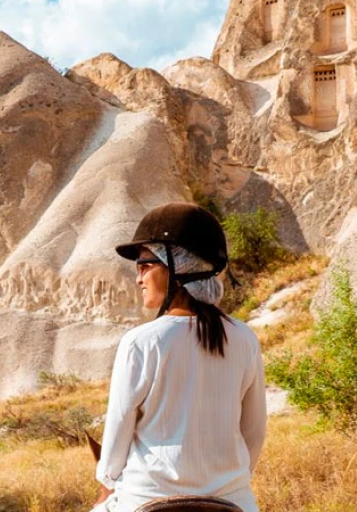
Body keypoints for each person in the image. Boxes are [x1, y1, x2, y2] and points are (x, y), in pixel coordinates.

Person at [92, 202, 268, 512]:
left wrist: (107, 481)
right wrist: (227, 481)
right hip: (233, 500)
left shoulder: (141, 342)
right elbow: (254, 431)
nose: (139, 278)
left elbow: (117, 436)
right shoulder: (245, 339)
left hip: (146, 499)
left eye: (145, 265)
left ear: (178, 267)